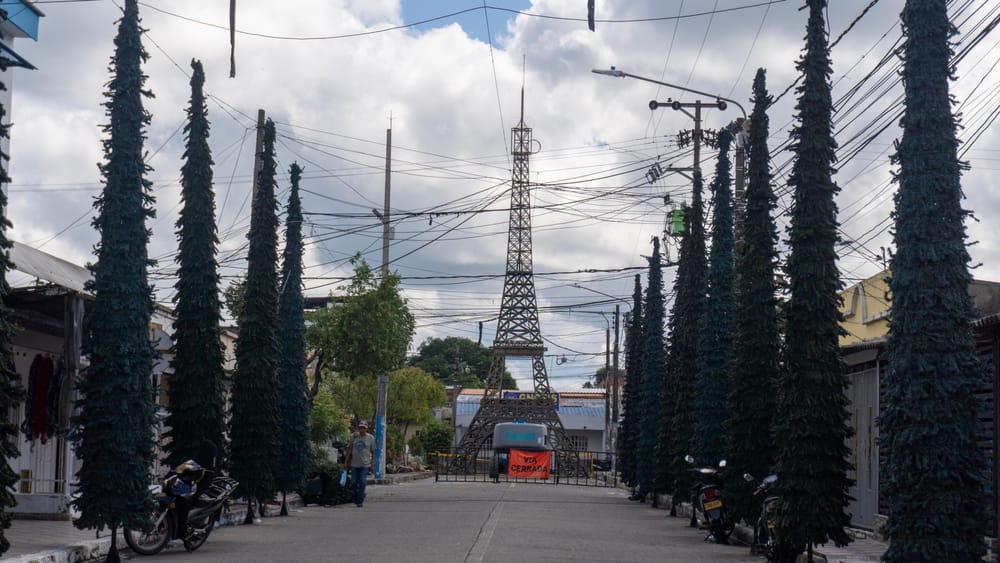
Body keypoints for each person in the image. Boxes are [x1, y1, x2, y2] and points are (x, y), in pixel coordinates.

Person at [343, 420, 375, 507]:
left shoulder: (370, 438)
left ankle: (359, 500)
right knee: (353, 482)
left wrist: (372, 464)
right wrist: (346, 462)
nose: (362, 430)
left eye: (364, 428)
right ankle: (358, 495)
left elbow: (373, 452)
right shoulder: (354, 436)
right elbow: (349, 449)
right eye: (361, 428)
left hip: (365, 464)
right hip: (354, 464)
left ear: (366, 429)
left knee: (363, 482)